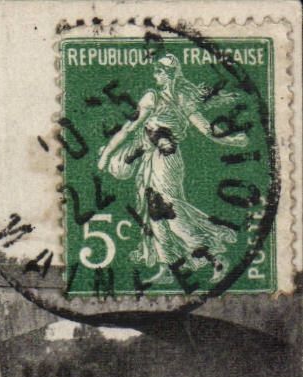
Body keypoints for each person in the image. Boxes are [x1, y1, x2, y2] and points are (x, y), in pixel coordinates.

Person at [96, 53, 250, 278]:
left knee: (169, 211)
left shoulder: (159, 98)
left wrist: (106, 155)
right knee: (155, 214)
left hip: (165, 159)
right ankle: (170, 266)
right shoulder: (170, 99)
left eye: (159, 71)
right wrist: (229, 138)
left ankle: (215, 258)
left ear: (169, 75)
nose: (155, 75)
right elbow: (131, 128)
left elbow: (130, 128)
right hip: (157, 159)